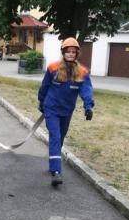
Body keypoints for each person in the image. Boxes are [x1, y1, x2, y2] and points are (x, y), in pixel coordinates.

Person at [37, 37, 95, 186]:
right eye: (67, 52)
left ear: (77, 54)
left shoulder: (82, 72)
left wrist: (88, 107)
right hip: (51, 109)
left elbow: (86, 90)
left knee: (60, 138)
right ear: (63, 52)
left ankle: (53, 164)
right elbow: (44, 87)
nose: (70, 54)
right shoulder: (52, 68)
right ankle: (56, 172)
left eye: (73, 52)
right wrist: (41, 102)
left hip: (67, 111)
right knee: (55, 137)